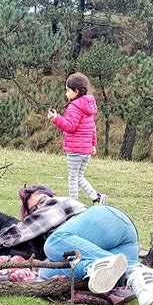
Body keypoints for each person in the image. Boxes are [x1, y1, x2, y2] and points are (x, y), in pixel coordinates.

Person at [0, 186, 153, 305]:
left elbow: (21, 231)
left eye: (41, 200)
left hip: (109, 221)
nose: (40, 208)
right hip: (118, 247)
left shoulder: (57, 203)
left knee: (54, 243)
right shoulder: (59, 234)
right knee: (46, 272)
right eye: (34, 209)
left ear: (51, 195)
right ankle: (134, 275)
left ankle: (132, 269)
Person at [48, 72, 106, 205]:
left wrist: (56, 118)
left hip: (75, 149)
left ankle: (73, 204)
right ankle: (96, 196)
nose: (66, 93)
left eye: (68, 90)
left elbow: (70, 126)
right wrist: (92, 145)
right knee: (78, 176)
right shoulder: (88, 106)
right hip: (86, 150)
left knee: (73, 178)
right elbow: (92, 128)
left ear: (76, 91)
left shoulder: (74, 107)